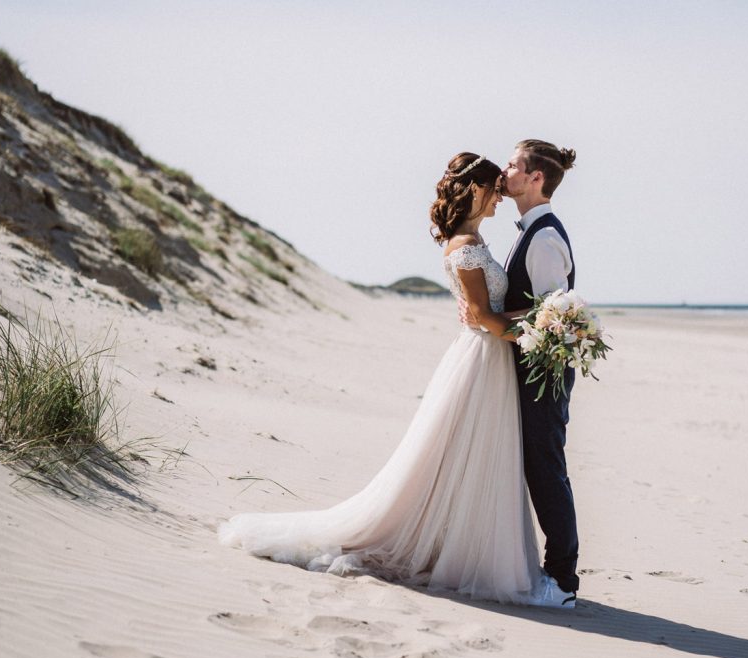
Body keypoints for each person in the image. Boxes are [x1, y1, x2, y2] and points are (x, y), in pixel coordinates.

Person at [219, 153, 564, 606]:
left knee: (476, 457)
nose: (500, 199)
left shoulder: (475, 238)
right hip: (481, 359)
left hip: (489, 357)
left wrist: (528, 320)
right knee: (462, 454)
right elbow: (482, 314)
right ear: (477, 191)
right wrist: (535, 330)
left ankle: (459, 543)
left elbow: (486, 311)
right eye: (494, 192)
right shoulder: (464, 244)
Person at [500, 139, 580, 603]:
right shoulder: (530, 229)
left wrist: (494, 321)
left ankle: (563, 582)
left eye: (513, 164)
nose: (505, 169)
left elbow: (553, 319)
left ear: (535, 178)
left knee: (546, 470)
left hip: (543, 373)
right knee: (538, 467)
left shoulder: (545, 237)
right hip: (528, 367)